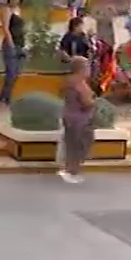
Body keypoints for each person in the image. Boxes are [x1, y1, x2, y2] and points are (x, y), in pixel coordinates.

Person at [59, 56, 96, 184]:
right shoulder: (80, 84)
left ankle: (69, 169)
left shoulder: (68, 81)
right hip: (81, 120)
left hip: (69, 116)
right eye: (88, 66)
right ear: (81, 69)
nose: (90, 69)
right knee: (80, 146)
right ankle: (73, 171)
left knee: (71, 144)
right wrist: (94, 103)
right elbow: (86, 102)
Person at [0, 0, 26, 105]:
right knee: (11, 72)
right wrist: (11, 44)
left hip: (20, 43)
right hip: (11, 44)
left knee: (16, 72)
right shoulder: (7, 10)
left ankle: (3, 96)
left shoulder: (19, 10)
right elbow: (5, 28)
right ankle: (6, 98)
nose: (15, 1)